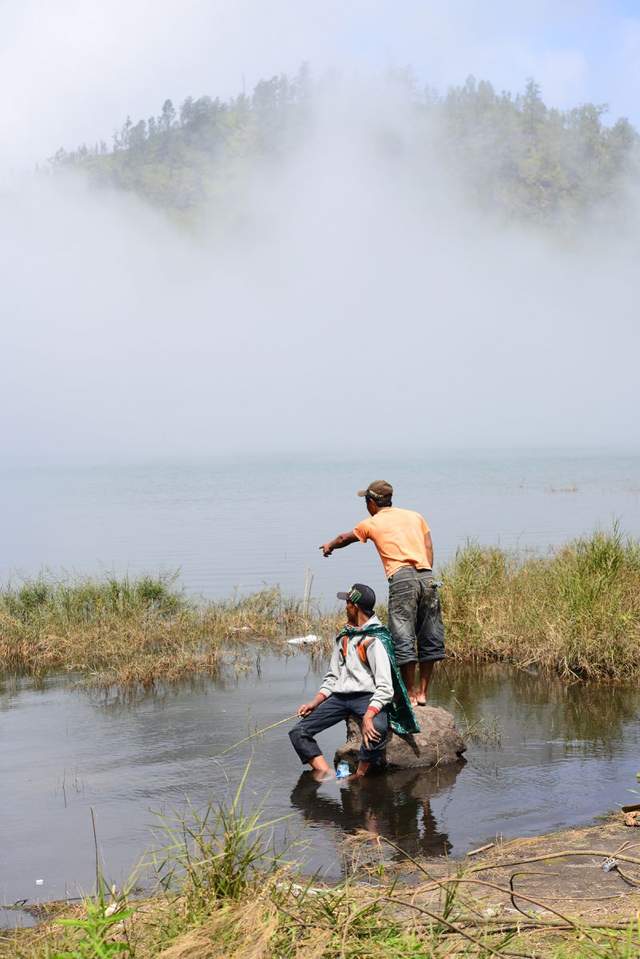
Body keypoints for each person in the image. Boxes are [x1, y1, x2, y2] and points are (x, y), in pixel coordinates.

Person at [320, 480, 445, 706]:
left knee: (402, 633)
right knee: (430, 634)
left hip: (401, 578)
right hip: (427, 575)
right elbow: (428, 546)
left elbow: (343, 539)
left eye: (365, 502)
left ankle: (409, 693)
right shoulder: (415, 516)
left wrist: (329, 545)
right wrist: (425, 573)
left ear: (371, 502)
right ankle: (424, 693)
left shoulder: (372, 522)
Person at [289, 583, 416, 780]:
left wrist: (369, 715)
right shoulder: (345, 637)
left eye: (347, 603)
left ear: (355, 607)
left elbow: (385, 687)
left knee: (378, 728)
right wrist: (315, 702)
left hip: (367, 697)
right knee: (299, 732)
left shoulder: (375, 639)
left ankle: (360, 774)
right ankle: (326, 773)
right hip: (340, 698)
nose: (345, 607)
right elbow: (332, 677)